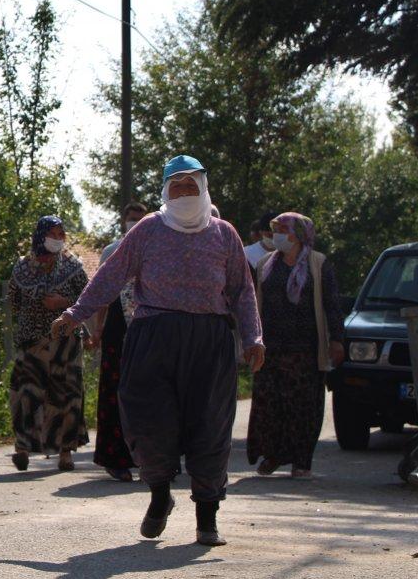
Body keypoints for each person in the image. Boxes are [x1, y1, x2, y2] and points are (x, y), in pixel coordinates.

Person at [51, 155, 265, 547]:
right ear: (165, 190)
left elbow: (241, 291)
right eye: (176, 185)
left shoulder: (224, 234)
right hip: (153, 336)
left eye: (190, 184)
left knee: (210, 425)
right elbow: (111, 274)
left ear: (203, 187)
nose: (183, 192)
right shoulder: (149, 229)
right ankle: (160, 495)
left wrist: (253, 338)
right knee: (149, 420)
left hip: (209, 340)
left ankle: (207, 517)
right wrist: (75, 313)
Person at [247, 213, 345, 479]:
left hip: (306, 349)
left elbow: (332, 304)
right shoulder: (266, 264)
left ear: (298, 234)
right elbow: (254, 304)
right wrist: (252, 339)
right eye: (275, 229)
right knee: (270, 404)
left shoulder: (318, 264)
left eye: (283, 230)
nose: (276, 235)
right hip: (271, 348)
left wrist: (337, 339)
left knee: (303, 406)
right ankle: (272, 454)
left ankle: (301, 459)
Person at [7, 216, 90, 473]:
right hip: (32, 342)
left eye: (60, 234)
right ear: (41, 235)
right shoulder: (23, 267)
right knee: (27, 394)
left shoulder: (73, 266)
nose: (57, 239)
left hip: (65, 342)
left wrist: (63, 303)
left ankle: (65, 452)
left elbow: (88, 297)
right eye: (52, 234)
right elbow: (14, 300)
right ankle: (22, 448)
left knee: (66, 394)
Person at [90, 202, 148, 481]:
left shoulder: (154, 248)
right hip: (116, 328)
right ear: (123, 221)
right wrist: (98, 328)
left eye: (140, 218)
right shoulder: (112, 251)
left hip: (147, 327)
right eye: (132, 218)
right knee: (114, 391)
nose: (135, 223)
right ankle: (115, 458)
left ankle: (152, 459)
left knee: (149, 394)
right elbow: (103, 290)